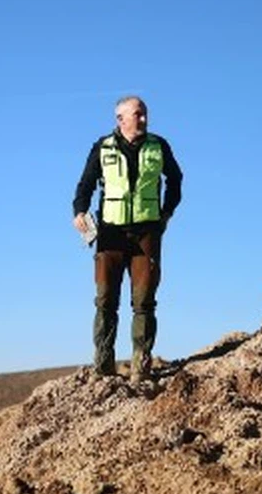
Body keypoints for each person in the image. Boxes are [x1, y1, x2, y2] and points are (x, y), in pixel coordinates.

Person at [72, 96, 183, 381]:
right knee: (106, 300)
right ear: (120, 119)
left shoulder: (159, 146)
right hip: (110, 233)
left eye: (145, 114)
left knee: (144, 301)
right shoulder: (102, 147)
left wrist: (166, 213)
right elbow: (85, 183)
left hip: (147, 233)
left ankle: (140, 367)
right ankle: (104, 366)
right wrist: (79, 211)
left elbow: (176, 178)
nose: (144, 119)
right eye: (138, 114)